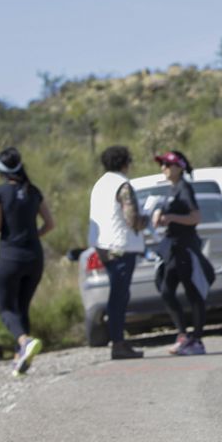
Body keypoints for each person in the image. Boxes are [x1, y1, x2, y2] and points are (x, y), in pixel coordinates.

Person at [0, 148, 54, 377]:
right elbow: (49, 224)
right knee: (22, 307)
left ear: (1, 170)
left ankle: (24, 342)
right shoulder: (33, 191)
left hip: (11, 257)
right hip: (34, 256)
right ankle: (19, 359)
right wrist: (33, 236)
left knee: (5, 308)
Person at [88, 145, 147, 360]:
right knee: (119, 297)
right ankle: (118, 343)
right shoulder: (122, 185)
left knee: (117, 295)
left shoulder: (99, 185)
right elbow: (132, 220)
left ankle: (118, 341)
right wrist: (148, 217)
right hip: (122, 246)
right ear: (125, 163)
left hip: (103, 246)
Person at [152, 150, 207, 356]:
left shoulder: (184, 188)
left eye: (167, 164)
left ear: (178, 167)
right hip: (172, 248)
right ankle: (184, 335)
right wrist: (160, 215)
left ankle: (197, 340)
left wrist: (171, 217)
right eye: (162, 164)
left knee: (194, 292)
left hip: (185, 247)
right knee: (166, 291)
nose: (163, 168)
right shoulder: (172, 189)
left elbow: (195, 217)